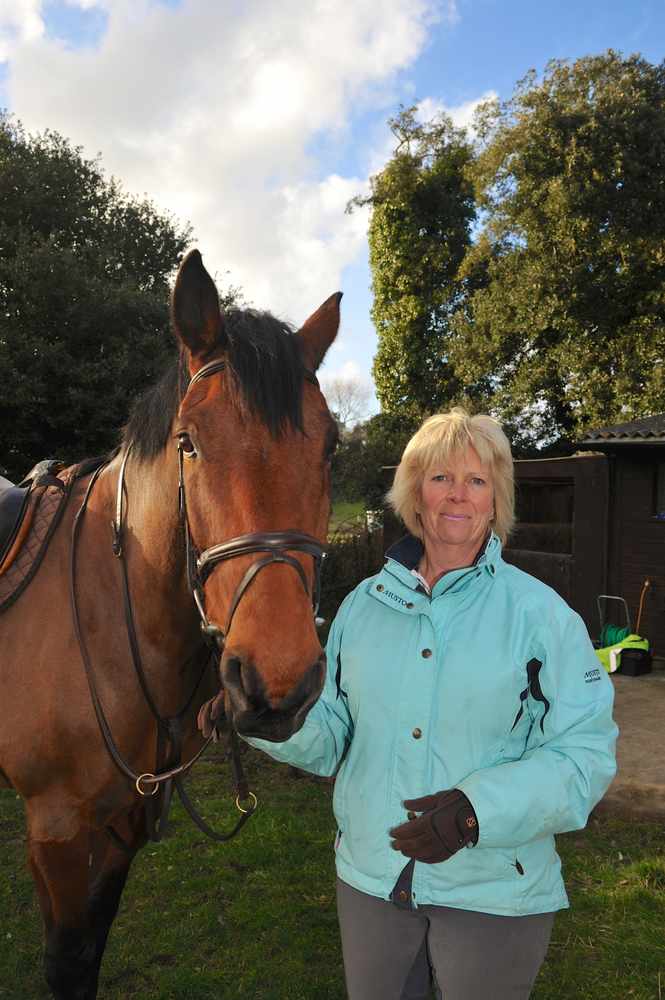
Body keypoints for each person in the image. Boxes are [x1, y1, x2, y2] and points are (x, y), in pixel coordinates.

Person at [247, 408, 617, 1000]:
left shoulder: (541, 615)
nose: (458, 496)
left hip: (493, 889)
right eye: (441, 477)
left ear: (497, 501)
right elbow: (336, 738)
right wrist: (275, 721)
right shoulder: (361, 607)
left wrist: (478, 812)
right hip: (371, 880)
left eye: (477, 481)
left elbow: (586, 756)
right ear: (414, 492)